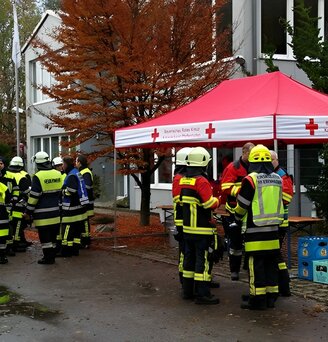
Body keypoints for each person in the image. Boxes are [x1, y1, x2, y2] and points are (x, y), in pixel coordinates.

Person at [234, 144, 284, 310]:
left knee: (255, 266)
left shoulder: (251, 179)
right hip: (274, 230)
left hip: (255, 230)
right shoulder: (278, 178)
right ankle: (271, 297)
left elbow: (242, 205)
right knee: (271, 264)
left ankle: (257, 300)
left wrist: (237, 217)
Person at [180, 147, 220, 305]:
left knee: (189, 260)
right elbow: (209, 204)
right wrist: (218, 199)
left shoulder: (184, 180)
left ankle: (187, 292)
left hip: (188, 229)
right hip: (202, 229)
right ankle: (203, 295)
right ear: (203, 163)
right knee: (202, 261)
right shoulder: (201, 181)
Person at [220, 142, 254, 280]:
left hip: (251, 210)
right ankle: (234, 270)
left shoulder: (255, 166)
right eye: (250, 154)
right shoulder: (233, 167)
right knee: (235, 242)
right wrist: (243, 191)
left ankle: (248, 267)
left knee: (251, 241)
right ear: (244, 152)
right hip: (234, 210)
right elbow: (225, 187)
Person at [25, 151, 63, 264]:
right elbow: (61, 192)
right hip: (56, 212)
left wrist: (28, 211)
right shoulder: (58, 174)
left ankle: (48, 258)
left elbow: (34, 197)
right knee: (53, 237)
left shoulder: (38, 176)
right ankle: (53, 256)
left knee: (45, 238)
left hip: (42, 214)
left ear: (37, 163)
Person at [270, 150, 294, 296]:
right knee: (275, 254)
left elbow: (287, 197)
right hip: (273, 220)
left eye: (269, 160)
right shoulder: (275, 174)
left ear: (275, 160)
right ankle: (281, 286)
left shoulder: (282, 175)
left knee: (276, 254)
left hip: (279, 221)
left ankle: (283, 287)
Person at [60, 156, 88, 257]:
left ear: (67, 164)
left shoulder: (71, 175)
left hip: (71, 208)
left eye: (63, 164)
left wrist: (61, 191)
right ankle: (75, 250)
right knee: (76, 231)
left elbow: (71, 190)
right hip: (79, 207)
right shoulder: (76, 172)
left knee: (67, 229)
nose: (62, 166)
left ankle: (66, 251)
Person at [172, 147, 192, 285]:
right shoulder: (180, 179)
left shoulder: (180, 177)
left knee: (187, 252)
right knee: (185, 252)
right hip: (183, 221)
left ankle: (188, 280)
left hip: (186, 220)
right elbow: (180, 200)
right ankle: (184, 279)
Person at [6, 156, 31, 252]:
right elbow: (27, 192)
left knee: (10, 225)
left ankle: (11, 243)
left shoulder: (6, 174)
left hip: (8, 205)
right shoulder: (22, 177)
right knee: (18, 225)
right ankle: (16, 244)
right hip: (19, 206)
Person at [76, 154, 94, 248]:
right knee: (83, 221)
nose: (75, 163)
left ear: (79, 162)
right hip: (84, 201)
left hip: (86, 202)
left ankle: (86, 240)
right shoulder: (83, 171)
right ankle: (83, 239)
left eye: (76, 161)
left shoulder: (85, 172)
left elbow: (86, 186)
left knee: (85, 221)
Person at [0, 169, 11, 264]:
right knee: (2, 236)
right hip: (2, 213)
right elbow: (8, 200)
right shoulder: (3, 187)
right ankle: (2, 256)